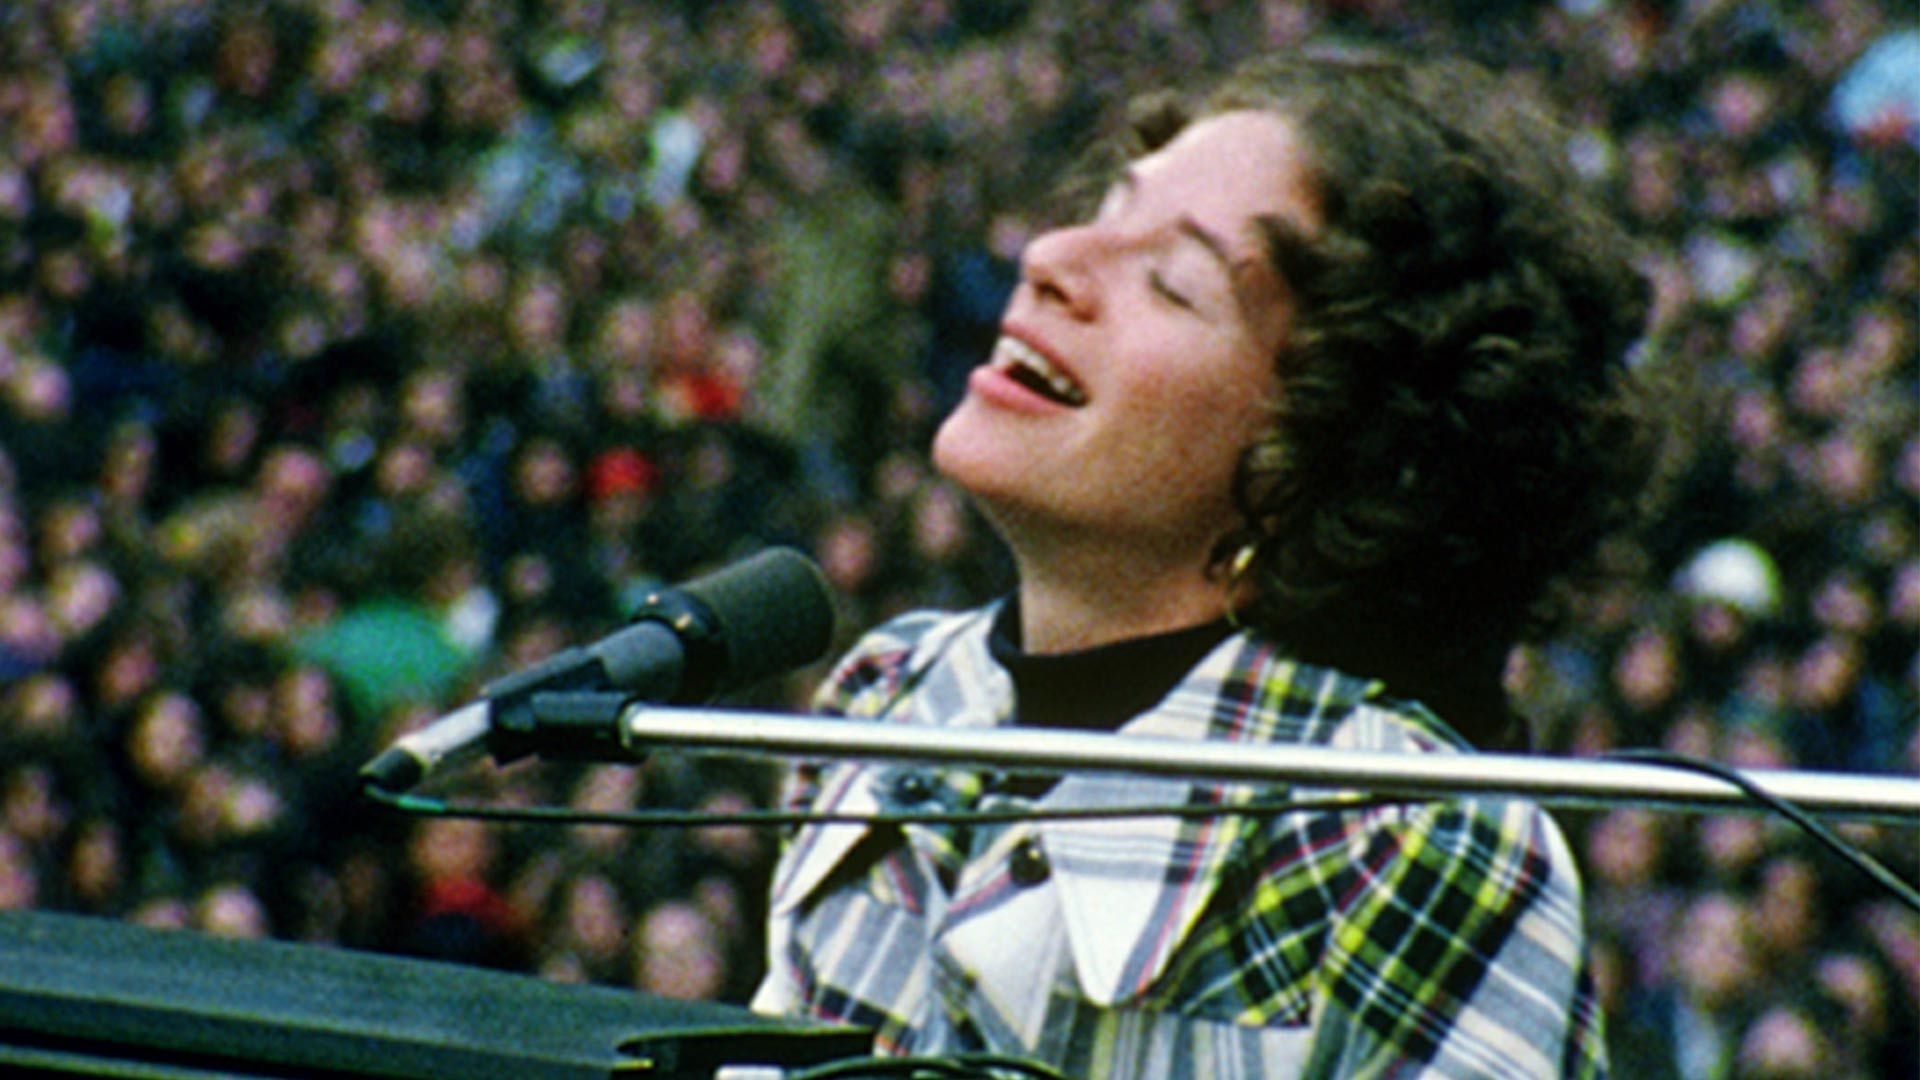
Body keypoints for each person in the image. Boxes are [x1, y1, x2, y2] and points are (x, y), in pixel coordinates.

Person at [752, 47, 1654, 1079]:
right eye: (1103, 205)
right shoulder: (887, 697)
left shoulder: (1409, 843)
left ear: (1321, 458)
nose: (1051, 253)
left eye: (1173, 284)